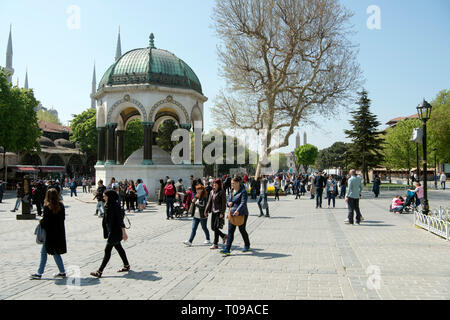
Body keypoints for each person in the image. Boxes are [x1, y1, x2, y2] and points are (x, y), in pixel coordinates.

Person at [90, 190, 129, 278]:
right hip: (111, 231)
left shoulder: (115, 207)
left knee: (107, 251)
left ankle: (99, 271)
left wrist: (124, 233)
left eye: (105, 196)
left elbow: (120, 221)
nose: (103, 198)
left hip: (115, 232)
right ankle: (126, 265)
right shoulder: (108, 205)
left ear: (110, 197)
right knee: (119, 248)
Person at [30, 188, 67, 280]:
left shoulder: (47, 207)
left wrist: (40, 221)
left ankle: (39, 273)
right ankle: (62, 271)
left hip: (49, 234)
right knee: (55, 252)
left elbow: (46, 222)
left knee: (44, 253)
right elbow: (62, 219)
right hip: (58, 233)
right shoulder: (61, 206)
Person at [220, 176, 250, 256]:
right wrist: (228, 203)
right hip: (231, 213)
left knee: (242, 230)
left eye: (233, 183)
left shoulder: (243, 192)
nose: (232, 185)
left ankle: (247, 245)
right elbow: (228, 200)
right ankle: (227, 249)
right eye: (231, 183)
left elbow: (243, 202)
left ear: (238, 183)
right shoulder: (231, 191)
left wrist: (238, 210)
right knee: (230, 231)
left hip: (241, 213)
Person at [205, 179, 227, 249]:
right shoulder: (212, 192)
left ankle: (215, 243)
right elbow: (209, 202)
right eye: (213, 185)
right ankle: (223, 236)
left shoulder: (222, 192)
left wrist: (222, 213)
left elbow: (224, 204)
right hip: (213, 212)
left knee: (216, 227)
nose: (214, 186)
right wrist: (206, 211)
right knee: (213, 227)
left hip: (219, 212)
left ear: (219, 185)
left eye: (215, 185)